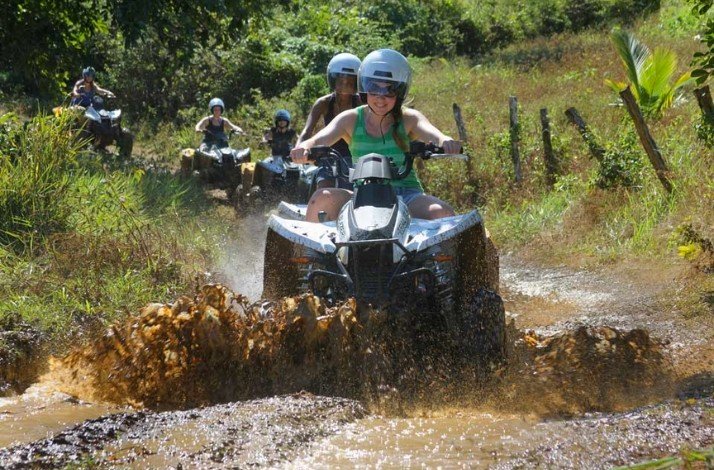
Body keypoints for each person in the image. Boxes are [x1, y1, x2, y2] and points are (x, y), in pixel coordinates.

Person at [291, 49, 461, 223]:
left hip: (406, 196)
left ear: (400, 92)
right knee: (320, 198)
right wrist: (304, 148)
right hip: (361, 194)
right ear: (364, 89)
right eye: (374, 89)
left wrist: (445, 141)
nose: (380, 98)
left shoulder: (410, 118)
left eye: (389, 90)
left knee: (443, 213)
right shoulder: (350, 118)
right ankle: (307, 251)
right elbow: (318, 139)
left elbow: (434, 133)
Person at [297, 53, 362, 189]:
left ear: (357, 83)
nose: (345, 86)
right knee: (323, 190)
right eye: (341, 81)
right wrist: (299, 148)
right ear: (333, 80)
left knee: (359, 195)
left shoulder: (361, 103)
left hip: (356, 156)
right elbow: (307, 130)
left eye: (350, 82)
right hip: (328, 156)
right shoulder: (323, 103)